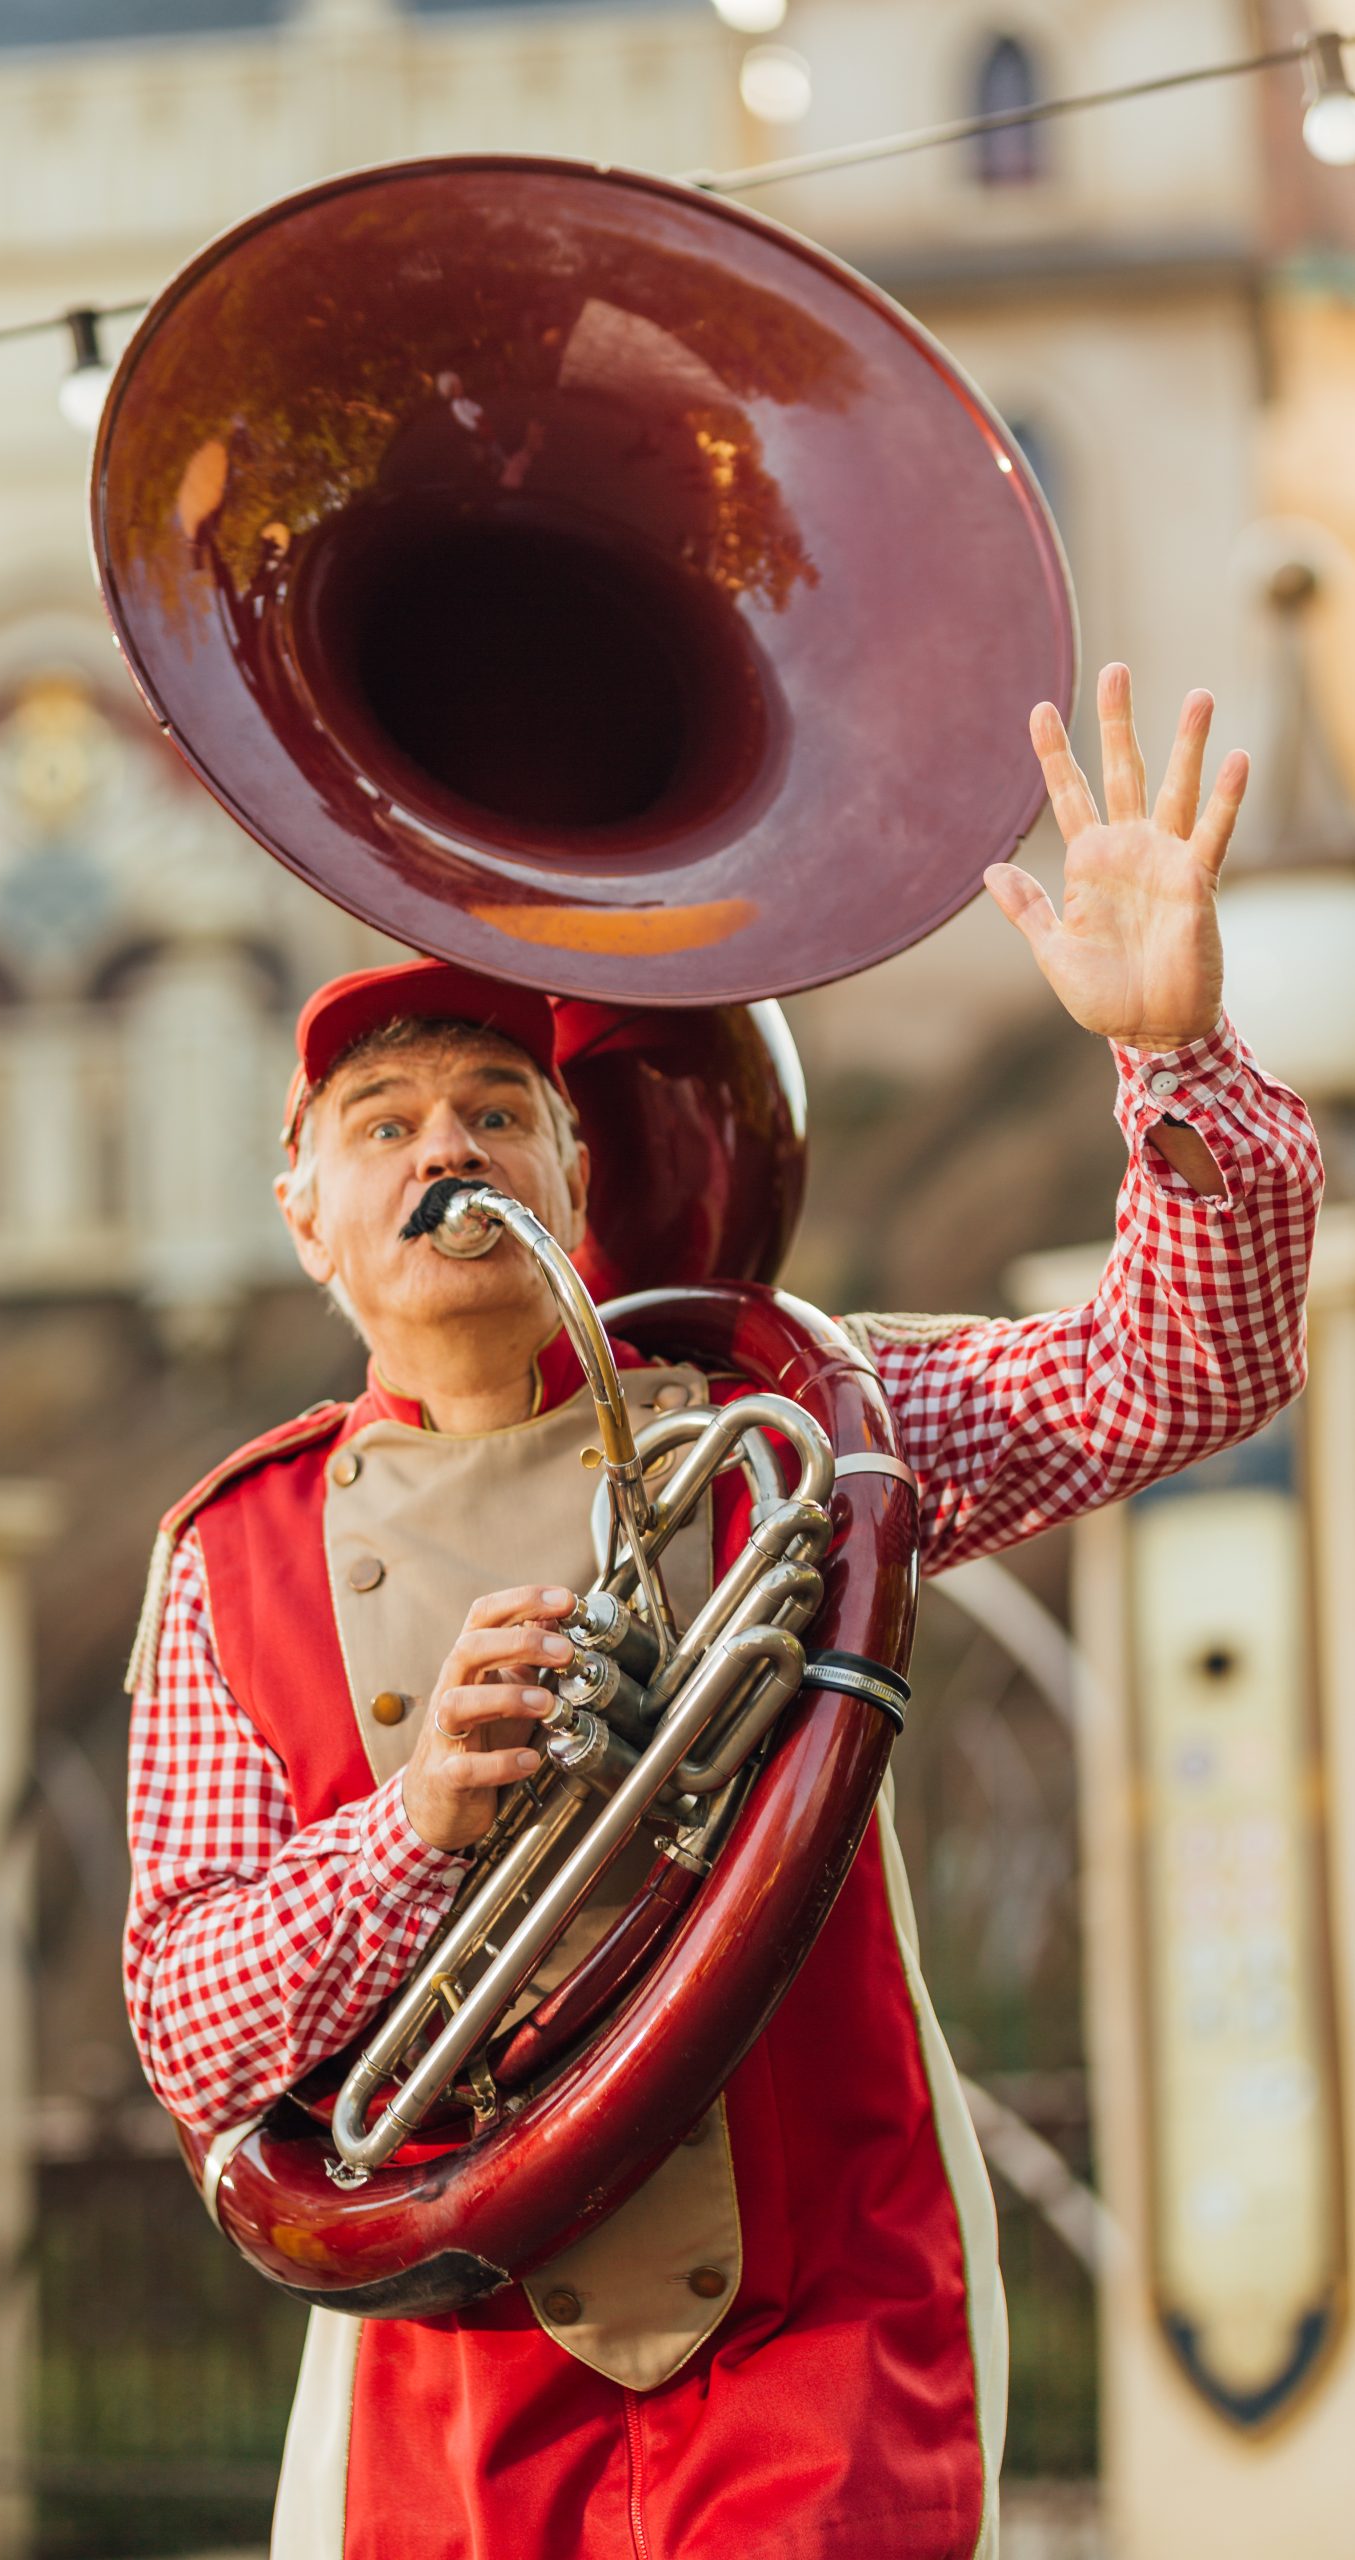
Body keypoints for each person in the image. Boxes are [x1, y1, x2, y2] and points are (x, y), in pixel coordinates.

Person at [124, 667, 1321, 2560]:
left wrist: (1173, 1055)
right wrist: (423, 1819)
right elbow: (191, 2029)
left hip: (821, 2323)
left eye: (498, 1109)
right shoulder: (232, 1547)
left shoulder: (787, 1417)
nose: (448, 1151)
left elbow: (1183, 1371)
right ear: (307, 1214)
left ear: (570, 1175)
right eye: (384, 1122)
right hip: (456, 2360)